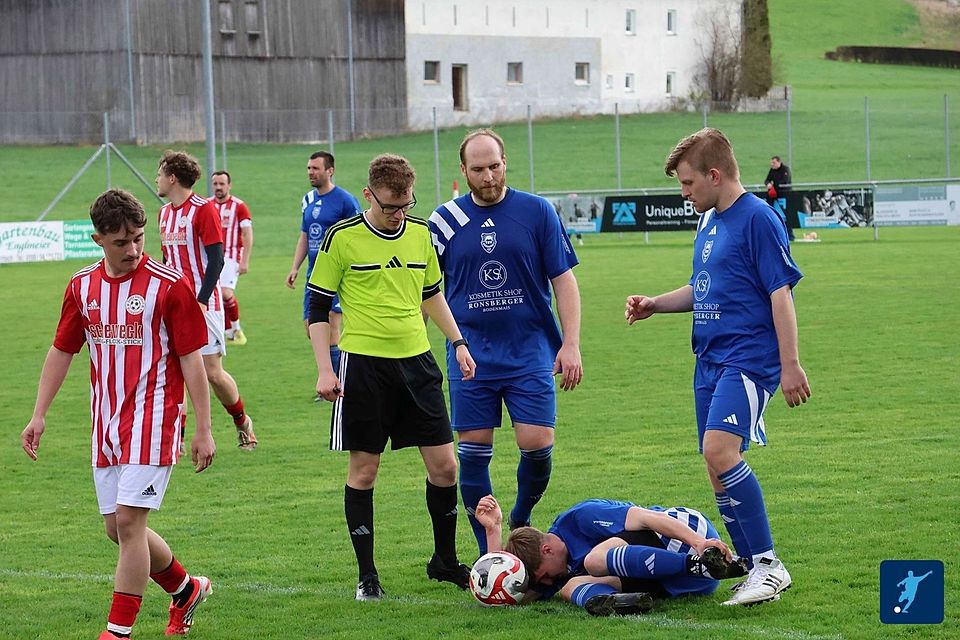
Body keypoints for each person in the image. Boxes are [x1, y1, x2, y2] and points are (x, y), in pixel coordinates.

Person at [625, 128, 811, 606]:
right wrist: (654, 304)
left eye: (687, 184)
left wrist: (790, 364)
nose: (683, 194)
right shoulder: (709, 223)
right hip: (708, 360)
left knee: (721, 452)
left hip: (748, 357)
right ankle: (752, 565)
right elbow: (701, 288)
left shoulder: (758, 219)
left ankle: (769, 566)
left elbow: (780, 294)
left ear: (713, 174)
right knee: (715, 463)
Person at [19, 189, 216, 639]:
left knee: (129, 522)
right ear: (98, 240)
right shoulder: (81, 286)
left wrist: (203, 428)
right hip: (105, 421)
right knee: (117, 528)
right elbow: (62, 350)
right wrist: (38, 414)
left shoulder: (169, 285)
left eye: (139, 239)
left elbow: (192, 359)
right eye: (121, 242)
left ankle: (117, 632)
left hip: (155, 417)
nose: (132, 250)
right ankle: (185, 590)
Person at [307, 153, 477, 601]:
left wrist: (458, 343)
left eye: (405, 205)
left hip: (417, 363)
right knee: (365, 472)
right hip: (363, 367)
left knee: (445, 468)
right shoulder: (341, 238)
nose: (398, 214)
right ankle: (367, 575)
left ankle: (444, 561)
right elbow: (316, 306)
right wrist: (326, 368)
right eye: (389, 206)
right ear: (369, 195)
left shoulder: (421, 234)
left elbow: (432, 294)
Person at [427, 129, 583, 556]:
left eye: (494, 166)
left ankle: (521, 516)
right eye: (478, 169)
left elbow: (564, 281)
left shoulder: (536, 212)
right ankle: (491, 552)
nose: (489, 176)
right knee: (473, 455)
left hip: (530, 349)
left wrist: (570, 344)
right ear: (463, 171)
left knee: (537, 445)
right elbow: (425, 288)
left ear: (505, 161)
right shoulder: (444, 220)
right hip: (470, 355)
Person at [475, 495, 747, 616]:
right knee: (570, 588)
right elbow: (509, 595)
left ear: (546, 549)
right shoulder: (552, 571)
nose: (545, 583)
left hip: (683, 535)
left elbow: (649, 518)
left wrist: (699, 543)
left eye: (544, 576)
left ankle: (699, 564)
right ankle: (614, 604)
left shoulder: (580, 518)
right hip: (681, 583)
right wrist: (493, 531)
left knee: (594, 561)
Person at [157, 151, 258, 450]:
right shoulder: (164, 214)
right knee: (174, 370)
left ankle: (242, 422)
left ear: (172, 177)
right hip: (173, 306)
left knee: (212, 373)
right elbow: (167, 259)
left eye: (160, 173)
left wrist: (200, 301)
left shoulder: (203, 210)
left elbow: (216, 260)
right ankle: (178, 440)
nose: (157, 179)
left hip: (204, 305)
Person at [286, 151, 361, 399]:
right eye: (308, 168)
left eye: (316, 168)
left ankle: (337, 383)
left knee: (331, 323)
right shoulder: (309, 201)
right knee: (312, 327)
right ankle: (332, 376)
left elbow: (357, 236)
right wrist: (295, 266)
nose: (311, 172)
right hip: (313, 275)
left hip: (337, 275)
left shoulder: (345, 201)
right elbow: (305, 235)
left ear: (330, 171)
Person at [210, 170, 253, 345]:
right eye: (215, 184)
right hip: (211, 257)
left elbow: (248, 233)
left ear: (229, 185)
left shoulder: (239, 206)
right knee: (214, 295)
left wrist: (245, 260)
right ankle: (227, 332)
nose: (218, 187)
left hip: (231, 255)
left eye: (222, 184)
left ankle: (236, 329)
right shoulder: (207, 205)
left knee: (226, 293)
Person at [764, 155, 794, 240]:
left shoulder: (785, 170)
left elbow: (784, 182)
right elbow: (766, 180)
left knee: (787, 215)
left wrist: (773, 185)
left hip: (785, 196)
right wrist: (768, 184)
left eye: (774, 163)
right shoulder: (772, 170)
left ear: (779, 162)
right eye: (771, 163)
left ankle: (790, 235)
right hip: (774, 195)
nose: (772, 165)